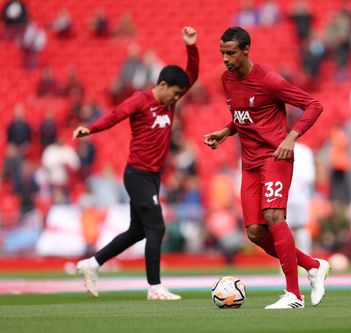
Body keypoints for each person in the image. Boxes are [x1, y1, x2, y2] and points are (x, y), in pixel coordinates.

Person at [204, 26, 330, 309]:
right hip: (249, 163)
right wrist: (226, 132)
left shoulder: (269, 80)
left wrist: (291, 136)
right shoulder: (227, 79)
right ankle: (312, 266)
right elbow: (244, 115)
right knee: (255, 233)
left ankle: (293, 295)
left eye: (231, 53)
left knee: (274, 216)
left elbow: (314, 105)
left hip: (275, 157)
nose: (225, 58)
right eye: (222, 53)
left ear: (246, 50)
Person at [73, 27, 199, 301]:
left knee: (138, 230)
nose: (177, 99)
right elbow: (115, 115)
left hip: (152, 176)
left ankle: (92, 264)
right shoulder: (140, 101)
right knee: (157, 227)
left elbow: (193, 76)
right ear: (162, 85)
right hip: (137, 174)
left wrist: (191, 47)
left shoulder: (169, 103)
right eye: (174, 93)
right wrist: (90, 130)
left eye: (180, 94)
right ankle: (155, 287)